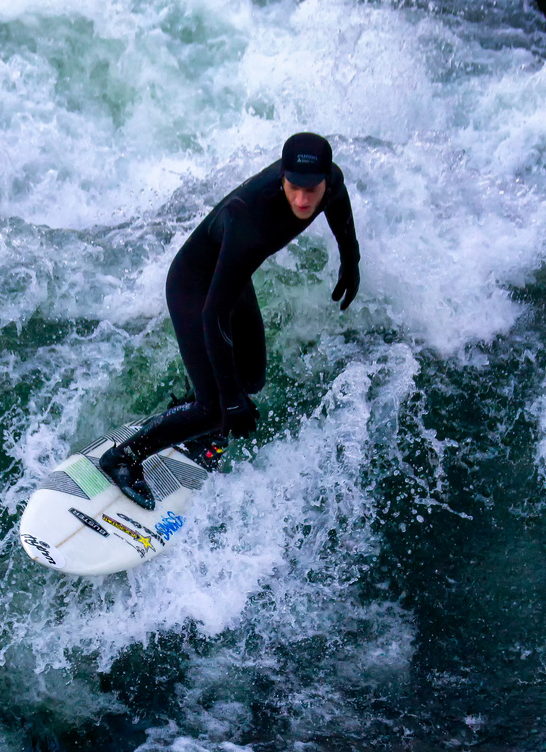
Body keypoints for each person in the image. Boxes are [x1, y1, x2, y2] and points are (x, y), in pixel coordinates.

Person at [98, 131, 361, 510]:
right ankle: (123, 457)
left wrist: (350, 259)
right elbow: (213, 315)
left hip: (232, 279)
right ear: (282, 178)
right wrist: (230, 400)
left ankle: (193, 406)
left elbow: (338, 201)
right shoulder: (249, 221)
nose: (303, 200)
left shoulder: (328, 182)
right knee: (218, 406)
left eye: (312, 190)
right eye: (294, 188)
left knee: (251, 379)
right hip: (195, 288)